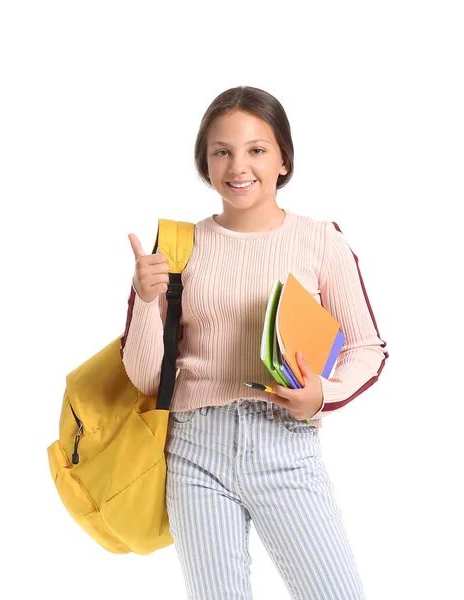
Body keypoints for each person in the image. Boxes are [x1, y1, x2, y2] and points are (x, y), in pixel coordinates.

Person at [121, 86, 389, 600]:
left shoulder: (320, 239)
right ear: (204, 161)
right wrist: (144, 300)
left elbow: (367, 348)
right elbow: (147, 378)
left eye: (256, 149)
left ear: (283, 159)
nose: (238, 166)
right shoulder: (178, 246)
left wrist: (322, 397)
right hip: (195, 451)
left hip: (285, 444)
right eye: (221, 150)